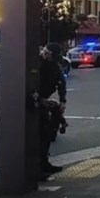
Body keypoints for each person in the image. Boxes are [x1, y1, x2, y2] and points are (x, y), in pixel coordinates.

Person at [37, 43, 69, 180]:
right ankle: (37, 167)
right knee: (37, 135)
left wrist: (62, 101)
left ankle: (44, 163)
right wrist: (40, 99)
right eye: (50, 55)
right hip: (34, 101)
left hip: (43, 100)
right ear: (45, 53)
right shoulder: (36, 64)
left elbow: (61, 82)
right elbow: (28, 84)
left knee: (46, 134)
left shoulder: (55, 66)